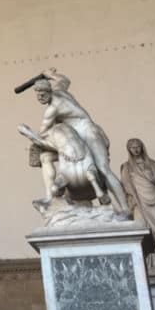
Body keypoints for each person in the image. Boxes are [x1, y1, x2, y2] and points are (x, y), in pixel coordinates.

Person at [32, 71, 128, 211]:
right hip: (74, 137)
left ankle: (125, 209)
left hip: (88, 133)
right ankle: (50, 198)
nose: (40, 97)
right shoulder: (59, 91)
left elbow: (42, 134)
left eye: (43, 94)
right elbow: (65, 80)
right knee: (45, 157)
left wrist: (34, 139)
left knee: (103, 169)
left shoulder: (52, 109)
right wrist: (51, 74)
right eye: (37, 94)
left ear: (49, 91)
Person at [120, 138, 155, 269]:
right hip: (139, 203)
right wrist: (132, 201)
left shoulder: (153, 164)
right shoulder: (127, 167)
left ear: (142, 147)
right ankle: (148, 264)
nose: (135, 149)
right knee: (144, 231)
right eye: (132, 147)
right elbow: (126, 187)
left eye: (138, 146)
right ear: (128, 149)